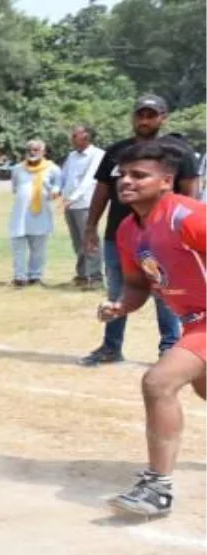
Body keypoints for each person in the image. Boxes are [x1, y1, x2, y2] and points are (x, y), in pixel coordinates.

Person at [95, 141, 207, 517]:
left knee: (158, 382)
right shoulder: (128, 230)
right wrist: (121, 305)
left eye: (138, 175)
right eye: (122, 174)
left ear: (166, 181)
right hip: (193, 321)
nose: (126, 181)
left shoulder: (188, 217)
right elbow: (139, 285)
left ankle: (157, 489)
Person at [80, 94, 200, 366]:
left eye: (151, 115)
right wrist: (90, 226)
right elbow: (102, 191)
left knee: (166, 292)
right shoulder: (116, 152)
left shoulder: (177, 152)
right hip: (120, 235)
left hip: (164, 237)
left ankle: (170, 349)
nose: (144, 120)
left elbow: (191, 194)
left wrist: (183, 233)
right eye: (140, 114)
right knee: (118, 291)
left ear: (163, 118)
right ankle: (111, 347)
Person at [7, 140, 62, 287]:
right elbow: (15, 188)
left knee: (38, 248)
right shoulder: (18, 168)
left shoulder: (53, 169)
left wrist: (55, 191)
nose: (32, 152)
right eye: (29, 149)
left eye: (36, 150)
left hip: (41, 213)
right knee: (18, 246)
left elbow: (57, 186)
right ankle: (20, 276)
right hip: (20, 214)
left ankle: (35, 276)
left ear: (43, 152)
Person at [61, 125, 106, 289]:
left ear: (86, 137)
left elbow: (90, 179)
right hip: (69, 204)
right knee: (77, 242)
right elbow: (64, 176)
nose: (72, 138)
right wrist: (58, 191)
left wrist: (72, 198)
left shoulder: (97, 155)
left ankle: (95, 277)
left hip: (86, 203)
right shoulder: (72, 156)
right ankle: (82, 274)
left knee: (90, 240)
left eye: (75, 135)